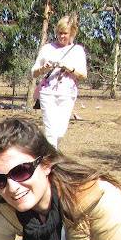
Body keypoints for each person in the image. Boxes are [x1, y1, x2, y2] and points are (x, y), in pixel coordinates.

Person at [31, 14, 87, 149]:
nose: (62, 36)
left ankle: (51, 154)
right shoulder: (47, 48)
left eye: (65, 33)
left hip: (67, 94)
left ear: (72, 33)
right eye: (60, 33)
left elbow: (83, 75)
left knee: (60, 131)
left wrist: (70, 69)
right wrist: (43, 68)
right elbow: (33, 72)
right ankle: (51, 161)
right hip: (47, 93)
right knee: (50, 130)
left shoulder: (77, 50)